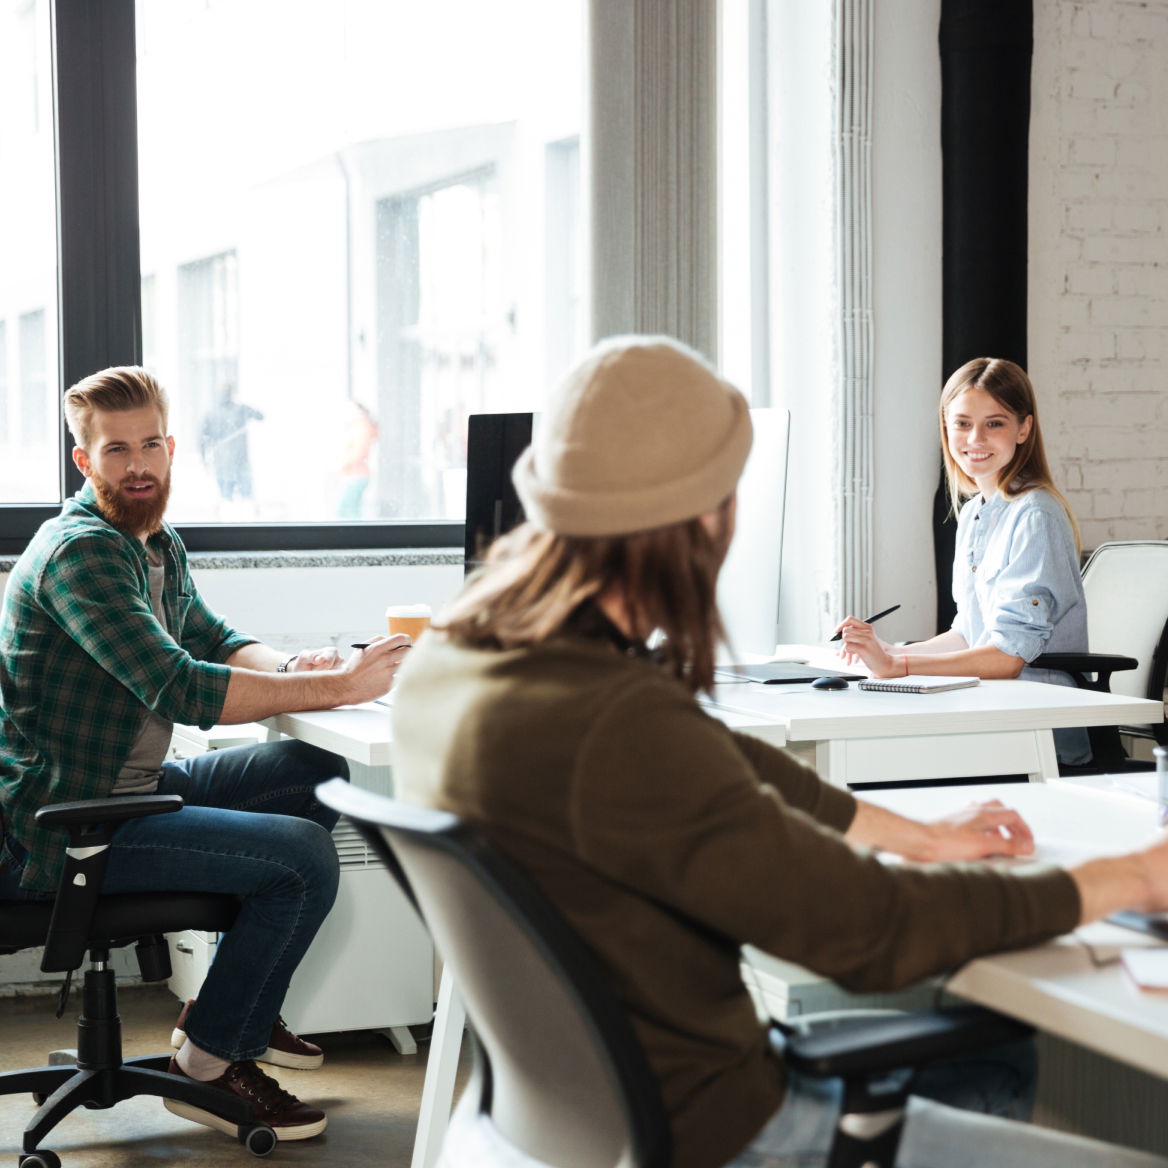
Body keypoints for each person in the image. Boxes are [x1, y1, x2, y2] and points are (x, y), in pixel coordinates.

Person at [388, 336, 1168, 1168]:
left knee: (993, 1050)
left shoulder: (457, 662)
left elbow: (718, 758)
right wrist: (1123, 878)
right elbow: (876, 931)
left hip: (556, 1121)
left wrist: (920, 836)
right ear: (699, 516)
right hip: (727, 1130)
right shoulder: (617, 726)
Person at [0, 366, 411, 1143]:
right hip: (69, 823)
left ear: (173, 446)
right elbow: (182, 686)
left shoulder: (151, 540)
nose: (138, 465)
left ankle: (222, 1017)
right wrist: (343, 689)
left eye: (150, 443)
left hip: (133, 786)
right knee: (302, 859)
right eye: (116, 450)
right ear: (84, 464)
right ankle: (208, 1067)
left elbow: (213, 639)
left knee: (314, 776)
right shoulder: (83, 555)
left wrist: (299, 670)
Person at [836, 357, 1090, 765]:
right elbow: (969, 634)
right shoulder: (976, 513)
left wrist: (899, 665)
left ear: (1023, 428)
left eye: (995, 423)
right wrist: (883, 650)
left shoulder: (1035, 515)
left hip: (1032, 732)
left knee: (872, 763)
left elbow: (1007, 657)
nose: (975, 438)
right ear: (945, 427)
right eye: (962, 423)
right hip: (987, 712)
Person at [199, 380, 263, 503]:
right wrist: (204, 460)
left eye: (226, 391)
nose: (224, 394)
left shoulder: (241, 409)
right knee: (228, 498)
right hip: (226, 463)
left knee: (241, 498)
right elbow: (202, 439)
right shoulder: (212, 413)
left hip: (237, 462)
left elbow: (260, 416)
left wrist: (204, 460)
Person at [336, 400, 379, 518]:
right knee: (350, 511)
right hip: (355, 475)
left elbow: (360, 453)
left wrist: (344, 465)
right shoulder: (360, 428)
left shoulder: (363, 428)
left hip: (357, 475)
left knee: (346, 512)